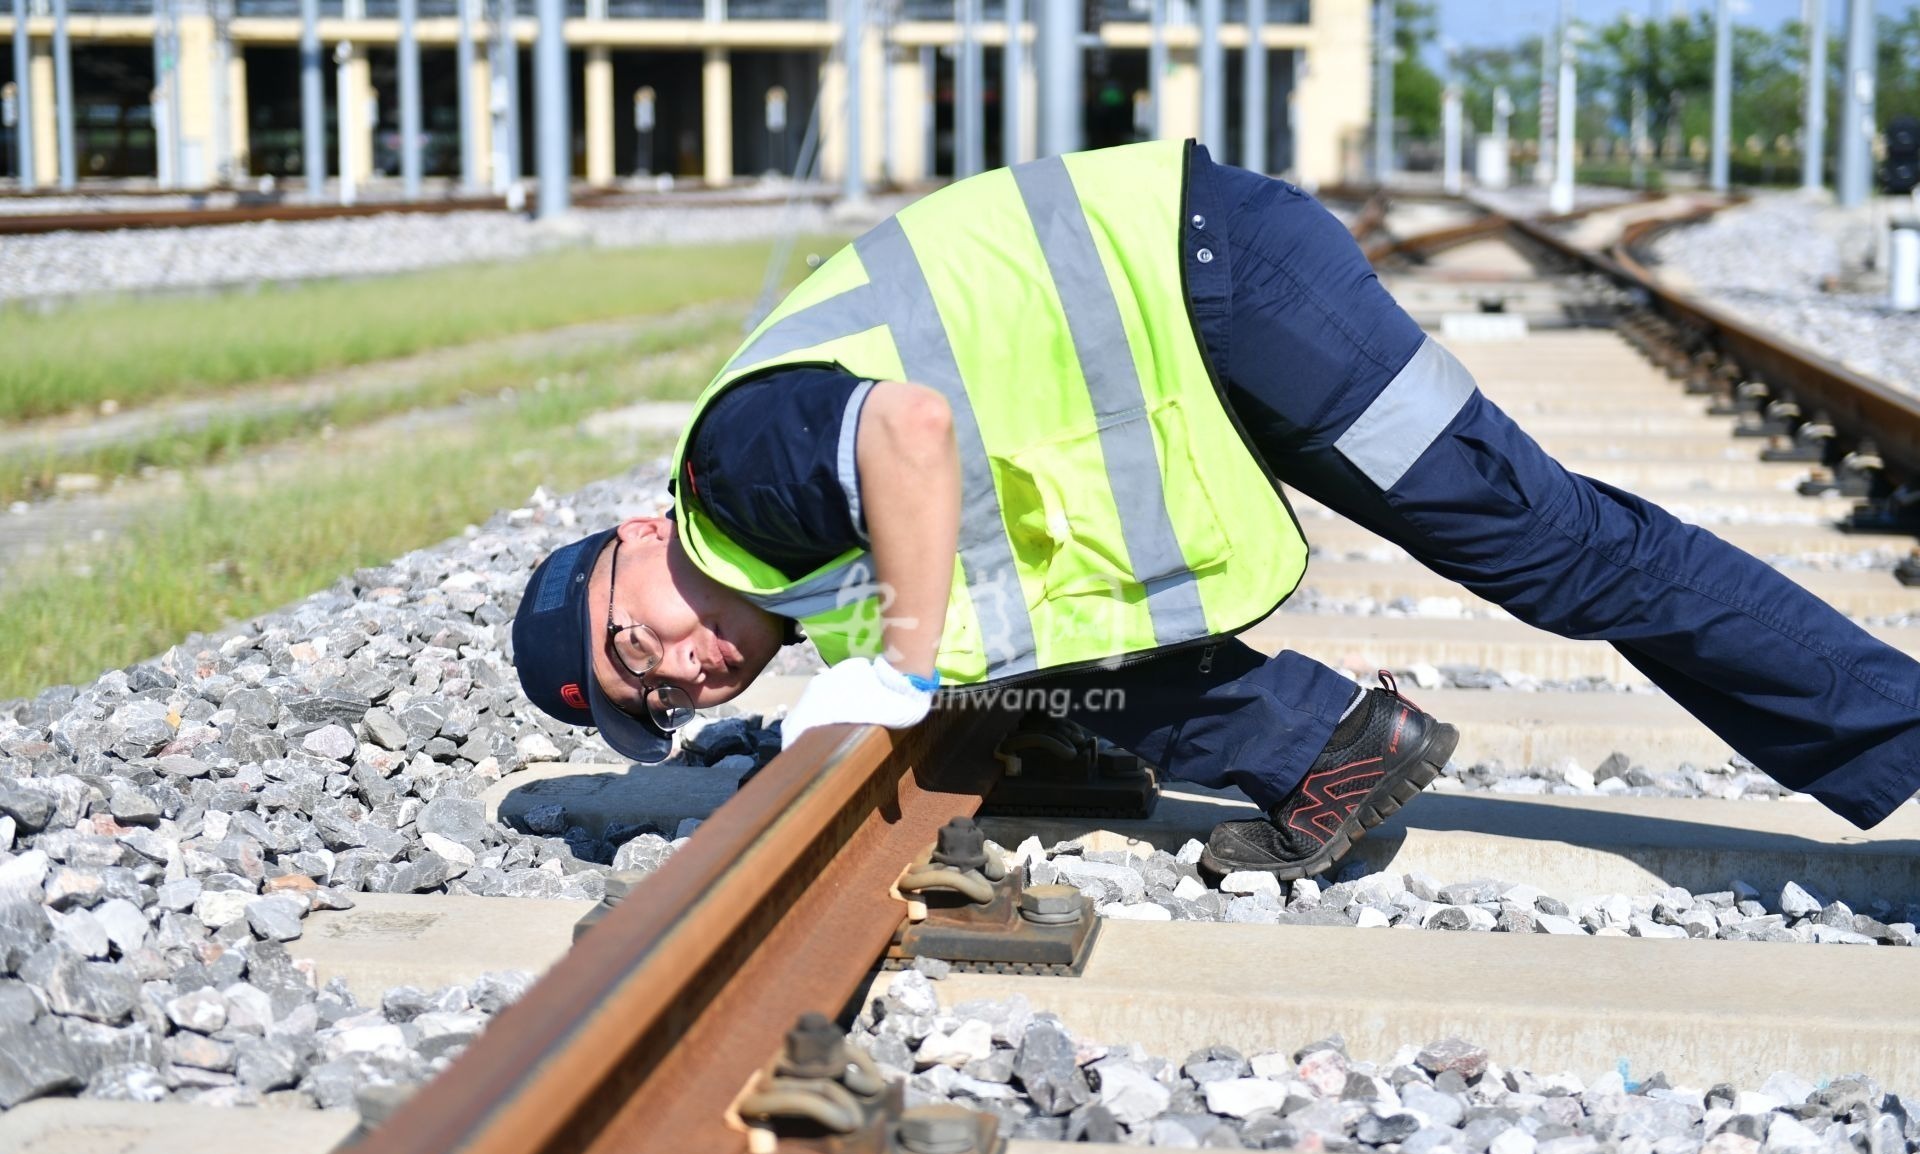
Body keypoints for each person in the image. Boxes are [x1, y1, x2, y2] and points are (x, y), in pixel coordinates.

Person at [511, 140, 1920, 882]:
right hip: (1197, 320)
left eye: (640, 647)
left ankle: (1900, 736)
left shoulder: (727, 477)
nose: (687, 673)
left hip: (1225, 287)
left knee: (1554, 549)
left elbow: (910, 427)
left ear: (636, 546)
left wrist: (906, 661)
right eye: (668, 703)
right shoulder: (782, 571)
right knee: (1011, 672)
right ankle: (1330, 749)